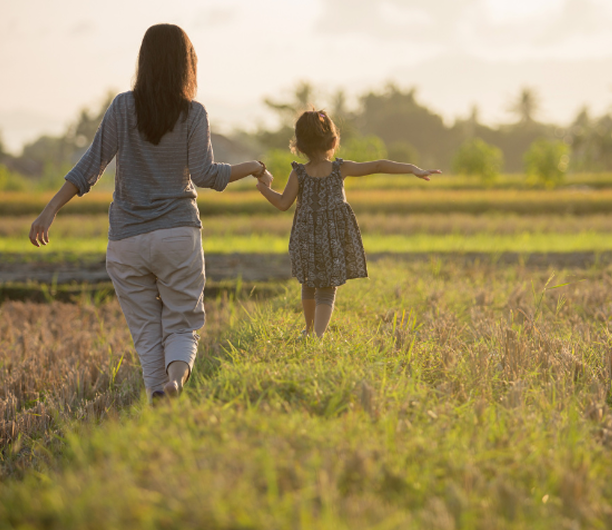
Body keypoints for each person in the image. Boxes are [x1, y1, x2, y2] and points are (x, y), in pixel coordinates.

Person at [29, 23, 266, 403]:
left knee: (145, 335)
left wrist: (49, 209)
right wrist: (252, 166)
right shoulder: (194, 114)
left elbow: (90, 166)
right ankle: (174, 383)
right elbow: (206, 175)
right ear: (186, 64)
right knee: (183, 323)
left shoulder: (123, 106)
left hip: (127, 241)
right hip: (176, 235)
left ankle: (158, 398)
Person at [256, 110, 440, 337]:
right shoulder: (339, 169)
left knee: (308, 283)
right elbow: (378, 166)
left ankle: (309, 328)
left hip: (306, 238)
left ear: (299, 147)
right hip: (332, 239)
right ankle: (318, 335)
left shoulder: (299, 173)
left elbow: (283, 203)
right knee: (326, 288)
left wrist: (264, 190)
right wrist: (413, 168)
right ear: (333, 141)